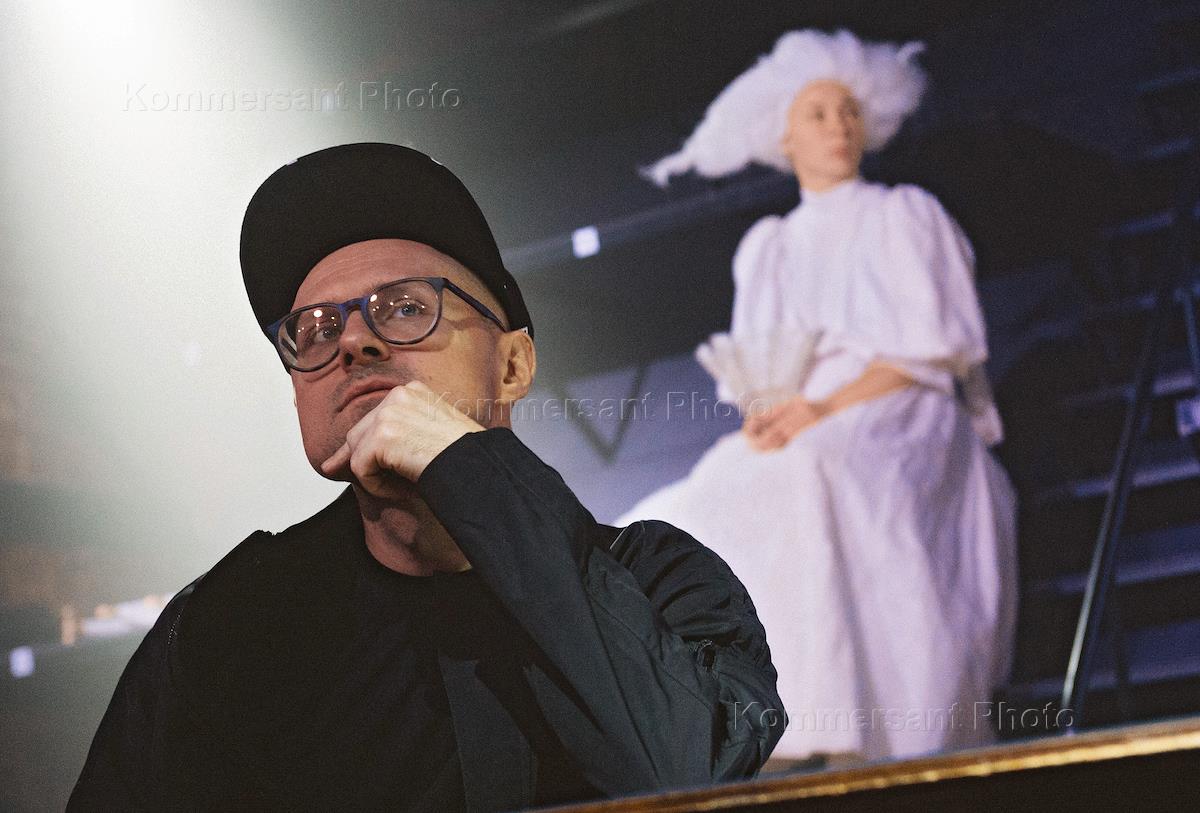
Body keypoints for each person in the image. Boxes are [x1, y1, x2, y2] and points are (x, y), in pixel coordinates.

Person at [68, 143, 783, 811]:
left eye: (407, 307)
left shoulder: (663, 581)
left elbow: (691, 773)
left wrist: (466, 467)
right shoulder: (229, 623)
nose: (353, 340)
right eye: (316, 330)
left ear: (513, 365)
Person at [621, 30, 1018, 762]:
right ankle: (745, 719)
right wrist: (768, 415)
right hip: (802, 419)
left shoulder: (904, 214)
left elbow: (931, 353)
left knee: (816, 469)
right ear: (786, 136)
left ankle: (861, 725)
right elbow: (761, 366)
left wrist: (825, 410)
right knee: (704, 494)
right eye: (818, 113)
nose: (838, 126)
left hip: (900, 404)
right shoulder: (769, 246)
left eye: (849, 112)